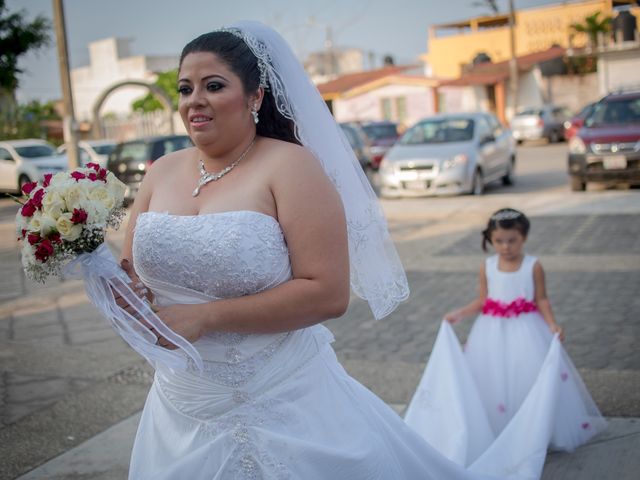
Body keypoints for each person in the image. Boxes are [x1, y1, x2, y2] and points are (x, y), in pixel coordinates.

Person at [117, 21, 497, 480]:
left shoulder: (291, 166)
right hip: (181, 402)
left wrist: (207, 316)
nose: (194, 99)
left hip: (280, 396)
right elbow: (132, 270)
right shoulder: (160, 173)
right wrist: (117, 288)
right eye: (185, 88)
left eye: (213, 86)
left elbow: (328, 294)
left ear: (256, 97)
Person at [405, 208, 607, 478]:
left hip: (526, 330)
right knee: (491, 380)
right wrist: (460, 313)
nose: (505, 246)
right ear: (490, 239)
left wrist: (552, 324)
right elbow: (484, 299)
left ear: (523, 237)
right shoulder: (487, 266)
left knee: (526, 376)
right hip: (490, 332)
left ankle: (532, 430)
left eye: (512, 240)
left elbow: (541, 299)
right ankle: (498, 430)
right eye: (499, 241)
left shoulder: (532, 265)